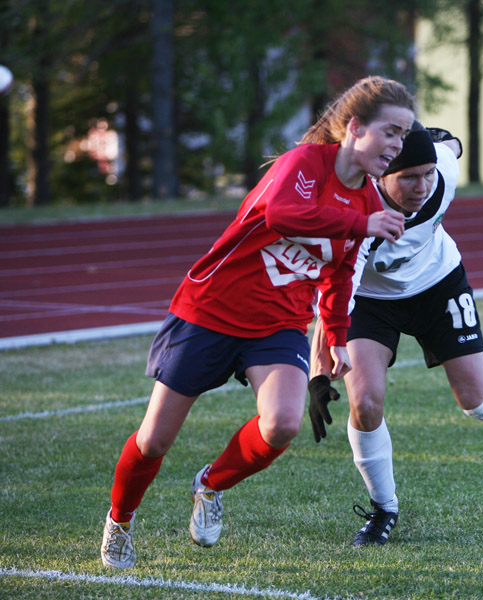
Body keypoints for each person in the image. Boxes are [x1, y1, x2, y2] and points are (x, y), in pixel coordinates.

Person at [100, 76, 416, 569]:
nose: (397, 145)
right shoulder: (304, 164)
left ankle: (210, 485)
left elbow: (339, 274)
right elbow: (283, 215)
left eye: (403, 135)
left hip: (278, 323)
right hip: (209, 311)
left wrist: (336, 338)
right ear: (355, 127)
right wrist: (360, 223)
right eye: (390, 132)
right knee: (154, 439)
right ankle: (120, 520)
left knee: (283, 424)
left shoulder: (370, 203)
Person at [308, 123, 483, 546]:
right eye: (409, 177)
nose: (422, 186)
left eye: (427, 174)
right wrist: (319, 372)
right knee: (366, 401)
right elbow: (335, 295)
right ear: (380, 174)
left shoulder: (442, 173)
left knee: (478, 402)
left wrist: (439, 140)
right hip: (371, 301)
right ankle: (384, 508)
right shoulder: (353, 212)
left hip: (438, 284)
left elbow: (450, 147)